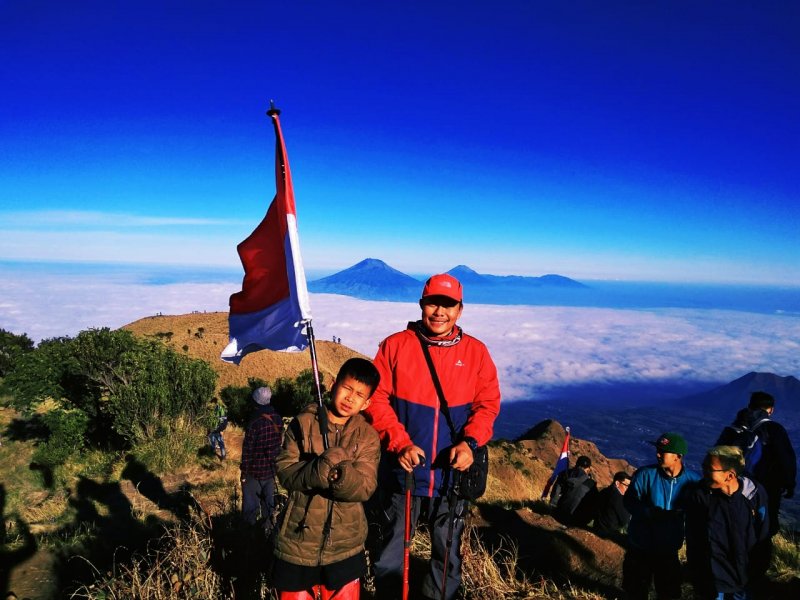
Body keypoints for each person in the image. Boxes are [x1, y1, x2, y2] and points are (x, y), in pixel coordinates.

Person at [365, 273, 501, 600]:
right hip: (404, 475)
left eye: (448, 305)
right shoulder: (395, 346)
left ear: (460, 310)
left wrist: (470, 444)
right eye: (433, 303)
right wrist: (399, 442)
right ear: (422, 305)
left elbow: (487, 405)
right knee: (392, 554)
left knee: (447, 557)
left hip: (451, 479)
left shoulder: (476, 353)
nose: (440, 311)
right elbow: (377, 399)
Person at [272, 357, 381, 600]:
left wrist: (340, 473)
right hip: (298, 540)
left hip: (345, 545)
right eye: (347, 388)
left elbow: (365, 487)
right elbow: (286, 472)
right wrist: (319, 470)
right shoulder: (302, 423)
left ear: (367, 403)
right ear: (333, 384)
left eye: (360, 395)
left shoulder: (368, 436)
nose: (351, 398)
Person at [683, 445, 770, 600]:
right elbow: (693, 536)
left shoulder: (753, 494)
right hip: (713, 576)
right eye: (703, 467)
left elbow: (763, 532)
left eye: (709, 469)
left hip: (745, 573)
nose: (704, 473)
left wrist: (759, 568)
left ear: (730, 475)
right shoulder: (701, 496)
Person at [623, 431, 702, 600]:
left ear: (678, 456)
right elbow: (630, 501)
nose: (657, 454)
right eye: (657, 450)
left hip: (668, 548)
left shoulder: (693, 482)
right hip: (640, 545)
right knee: (635, 590)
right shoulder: (645, 475)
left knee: (669, 592)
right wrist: (648, 512)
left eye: (662, 451)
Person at [716, 390, 796, 537]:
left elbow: (715, 457)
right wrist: (789, 484)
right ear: (771, 410)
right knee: (765, 527)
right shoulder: (775, 430)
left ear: (749, 406)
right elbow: (786, 459)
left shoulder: (733, 429)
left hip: (733, 487)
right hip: (766, 488)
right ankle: (759, 556)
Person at [240, 386, 283, 531]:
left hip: (254, 472)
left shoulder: (254, 423)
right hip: (270, 471)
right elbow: (278, 443)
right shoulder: (278, 419)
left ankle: (250, 538)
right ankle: (268, 533)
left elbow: (248, 451)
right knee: (269, 506)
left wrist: (244, 473)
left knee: (250, 509)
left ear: (256, 402)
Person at [549, 455, 597, 526]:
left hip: (558, 513)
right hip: (576, 520)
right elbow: (592, 505)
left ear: (576, 464)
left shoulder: (563, 474)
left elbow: (556, 493)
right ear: (588, 468)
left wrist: (552, 508)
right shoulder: (591, 484)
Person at [593, 470, 632, 540]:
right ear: (617, 483)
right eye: (627, 486)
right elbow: (625, 521)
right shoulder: (619, 498)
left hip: (596, 527)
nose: (628, 489)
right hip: (608, 534)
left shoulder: (604, 491)